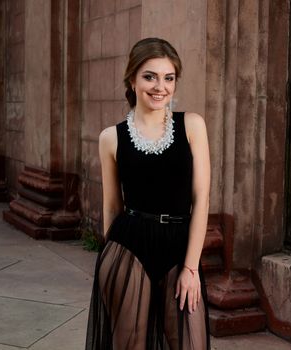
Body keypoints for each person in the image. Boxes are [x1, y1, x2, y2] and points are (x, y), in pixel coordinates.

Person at [85, 37, 211, 350]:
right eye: (150, 76)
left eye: (168, 78)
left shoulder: (192, 126)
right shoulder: (110, 138)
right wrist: (110, 261)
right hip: (129, 249)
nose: (160, 87)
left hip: (179, 247)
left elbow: (201, 199)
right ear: (132, 79)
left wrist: (191, 268)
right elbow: (112, 206)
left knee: (189, 343)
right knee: (129, 345)